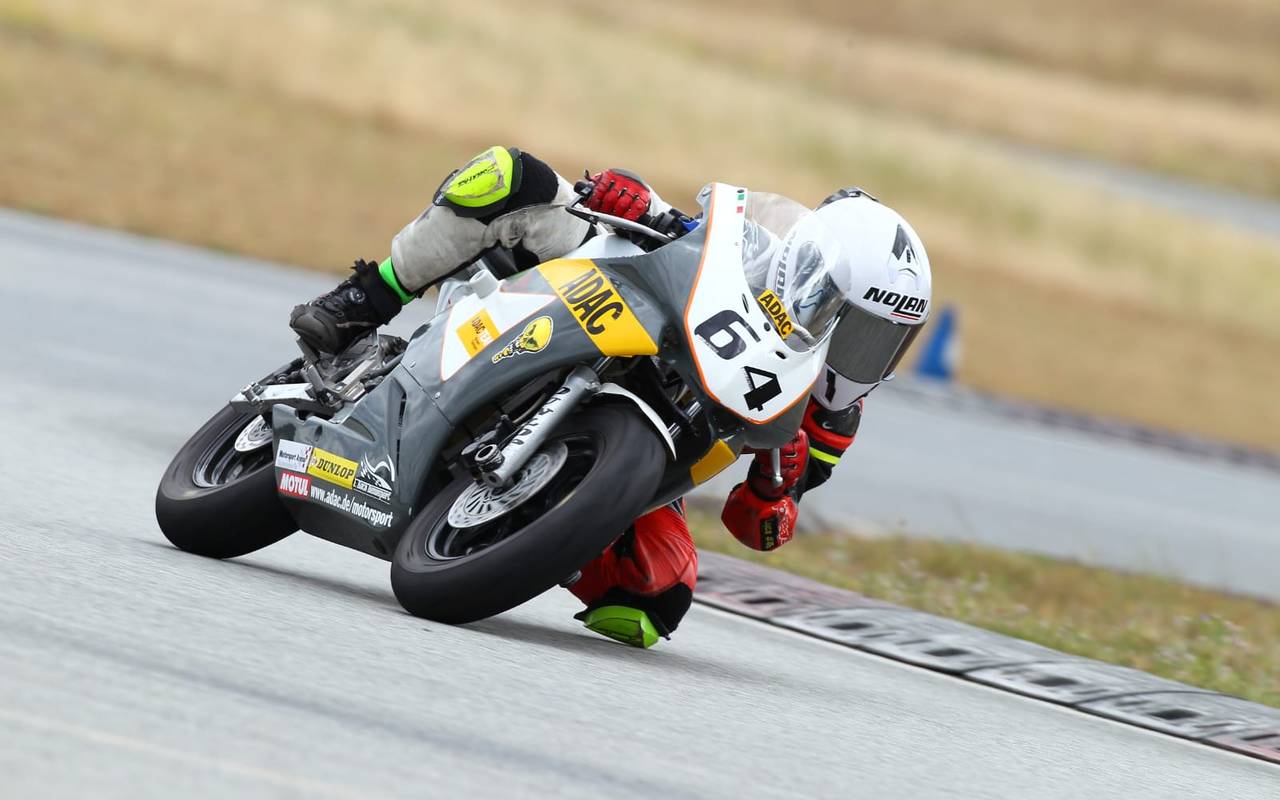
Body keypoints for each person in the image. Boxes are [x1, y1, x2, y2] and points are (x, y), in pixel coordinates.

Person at [289, 146, 932, 648]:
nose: (859, 350)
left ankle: (526, 530)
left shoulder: (833, 417)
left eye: (882, 340)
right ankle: (362, 302)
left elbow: (757, 528)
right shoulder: (761, 262)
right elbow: (689, 233)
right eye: (855, 322)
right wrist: (640, 203)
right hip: (613, 304)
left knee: (655, 598)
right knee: (512, 177)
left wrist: (776, 490)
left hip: (651, 449)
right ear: (813, 272)